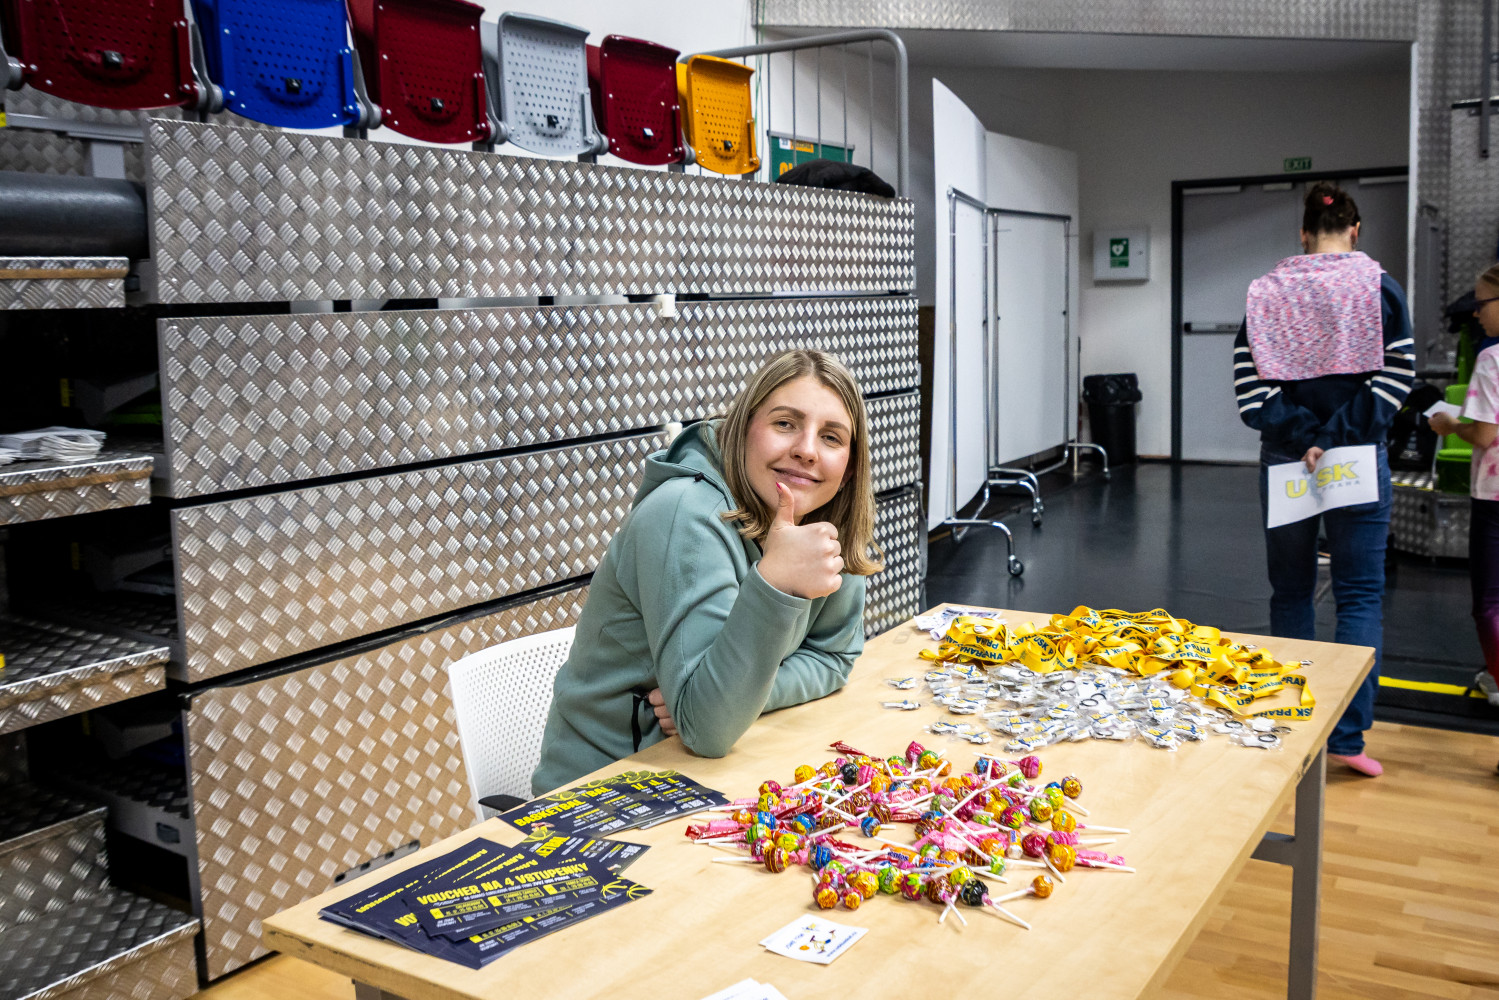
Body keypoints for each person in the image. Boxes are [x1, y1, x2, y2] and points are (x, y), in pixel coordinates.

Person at [532, 349, 881, 794]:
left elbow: (833, 656)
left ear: (849, 468)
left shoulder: (823, 518)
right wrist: (775, 584)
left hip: (714, 776)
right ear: (742, 430)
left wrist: (758, 694)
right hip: (602, 793)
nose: (806, 450)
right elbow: (707, 728)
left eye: (831, 437)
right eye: (785, 424)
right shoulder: (683, 515)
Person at [1233, 181, 1415, 778]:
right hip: (1357, 457)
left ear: (1304, 233)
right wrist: (1336, 438)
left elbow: (1250, 389)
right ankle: (1347, 739)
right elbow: (1398, 377)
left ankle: (1292, 731)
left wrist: (1303, 437)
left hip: (1287, 461)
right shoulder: (1380, 287)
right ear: (1355, 231)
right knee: (1358, 595)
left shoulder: (1265, 291)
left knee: (1290, 594)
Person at [1428, 264, 1499, 739]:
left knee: (1489, 603)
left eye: (1481, 304)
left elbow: (1486, 435)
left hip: (1494, 495)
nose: (1476, 314)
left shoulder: (1492, 359)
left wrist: (1451, 425)